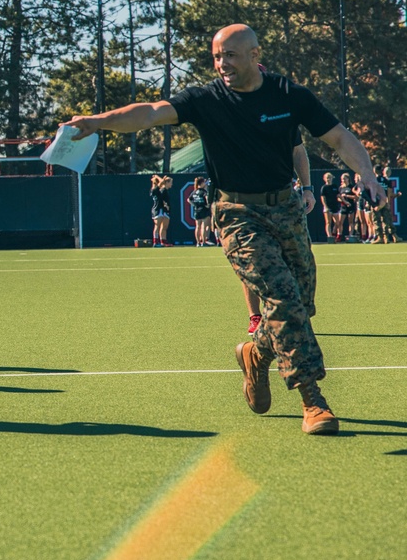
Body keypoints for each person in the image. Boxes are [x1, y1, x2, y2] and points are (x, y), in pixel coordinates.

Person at [64, 23, 386, 435]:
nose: (222, 64)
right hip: (236, 213)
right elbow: (150, 112)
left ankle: (255, 354)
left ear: (255, 55)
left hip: (285, 209)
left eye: (230, 55)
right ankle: (313, 399)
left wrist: (369, 177)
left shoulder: (289, 95)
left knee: (300, 306)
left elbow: (339, 138)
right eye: (217, 56)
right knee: (283, 298)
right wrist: (98, 121)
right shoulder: (205, 99)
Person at [189, 176, 212, 246]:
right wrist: (208, 205)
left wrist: (195, 204)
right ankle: (203, 242)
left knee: (197, 226)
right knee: (203, 226)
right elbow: (207, 198)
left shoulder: (194, 191)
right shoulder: (204, 191)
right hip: (203, 210)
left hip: (197, 210)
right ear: (202, 183)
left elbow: (189, 199)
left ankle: (198, 242)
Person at [150, 175, 172, 246]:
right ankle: (155, 242)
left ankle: (159, 241)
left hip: (158, 209)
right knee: (157, 226)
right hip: (157, 209)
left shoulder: (154, 190)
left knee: (158, 226)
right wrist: (158, 177)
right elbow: (162, 182)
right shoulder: (155, 190)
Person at [336, 172, 356, 242]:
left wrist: (347, 196)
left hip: (351, 206)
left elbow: (356, 197)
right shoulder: (341, 188)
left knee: (351, 221)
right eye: (342, 179)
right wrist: (343, 200)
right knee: (340, 222)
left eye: (345, 179)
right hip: (343, 206)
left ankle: (350, 235)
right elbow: (338, 198)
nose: (343, 180)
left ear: (348, 179)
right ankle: (339, 235)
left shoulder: (352, 187)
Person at [319, 172, 340, 241]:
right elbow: (323, 198)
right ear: (324, 179)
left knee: (337, 223)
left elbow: (338, 195)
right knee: (328, 222)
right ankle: (330, 236)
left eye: (330, 177)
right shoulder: (324, 188)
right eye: (327, 178)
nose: (328, 179)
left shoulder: (335, 186)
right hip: (328, 207)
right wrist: (325, 206)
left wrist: (345, 201)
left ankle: (334, 233)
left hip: (335, 207)